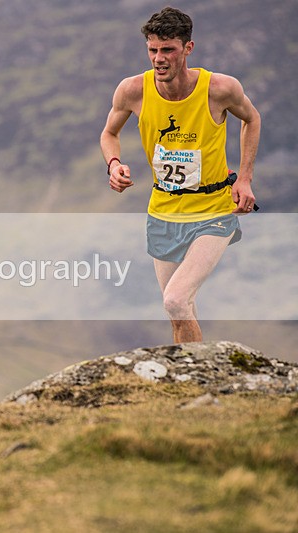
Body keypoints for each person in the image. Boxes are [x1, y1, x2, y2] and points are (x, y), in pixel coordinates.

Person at [100, 6, 260, 343]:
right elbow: (109, 133)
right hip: (163, 211)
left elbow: (252, 118)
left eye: (167, 49)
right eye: (152, 50)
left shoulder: (219, 88)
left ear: (187, 48)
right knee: (178, 310)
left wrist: (244, 178)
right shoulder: (133, 91)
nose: (159, 58)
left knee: (175, 300)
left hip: (213, 210)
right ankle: (197, 387)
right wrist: (114, 165)